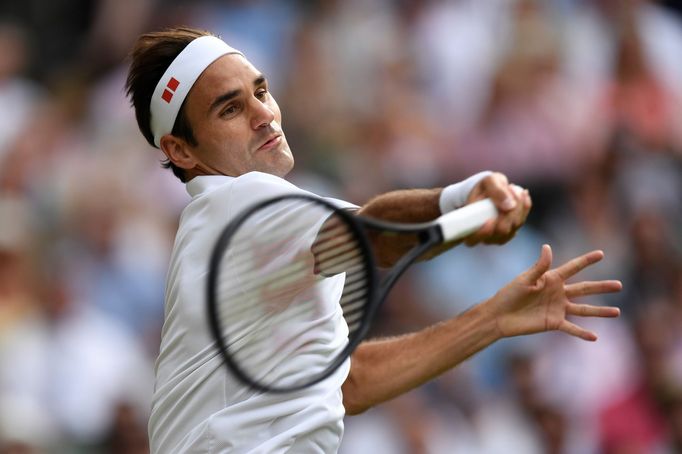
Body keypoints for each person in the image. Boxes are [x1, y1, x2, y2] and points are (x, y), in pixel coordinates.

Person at [125, 27, 622, 453]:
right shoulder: (240, 205)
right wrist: (459, 200)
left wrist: (494, 318)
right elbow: (372, 237)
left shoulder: (230, 234)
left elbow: (349, 384)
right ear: (180, 150)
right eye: (230, 109)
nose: (264, 114)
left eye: (261, 90)